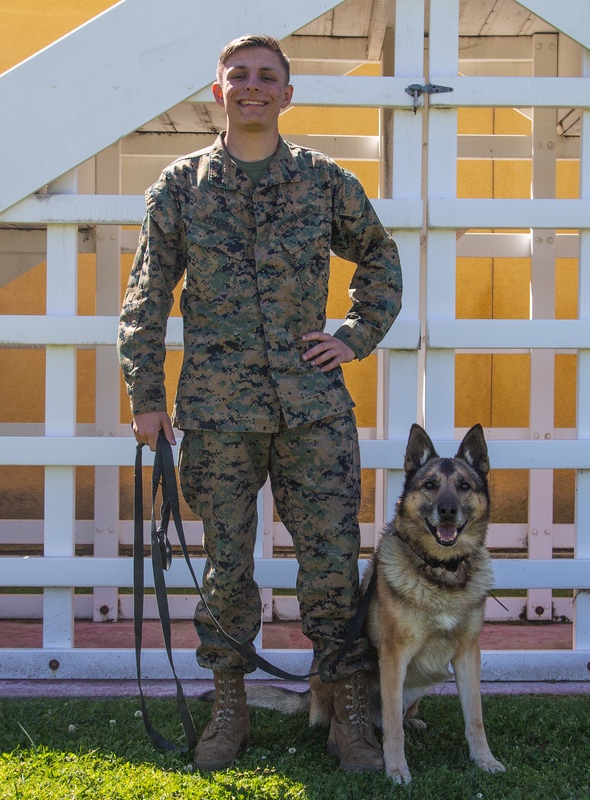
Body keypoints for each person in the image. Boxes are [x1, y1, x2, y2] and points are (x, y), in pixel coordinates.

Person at [118, 34, 402, 773]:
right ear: (218, 92)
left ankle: (347, 713)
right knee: (224, 568)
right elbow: (146, 297)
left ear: (287, 94)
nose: (252, 87)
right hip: (217, 413)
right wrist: (146, 397)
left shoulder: (323, 182)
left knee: (334, 566)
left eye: (266, 77)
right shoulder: (179, 188)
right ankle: (228, 709)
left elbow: (380, 257)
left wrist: (353, 334)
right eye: (238, 76)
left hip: (313, 411)